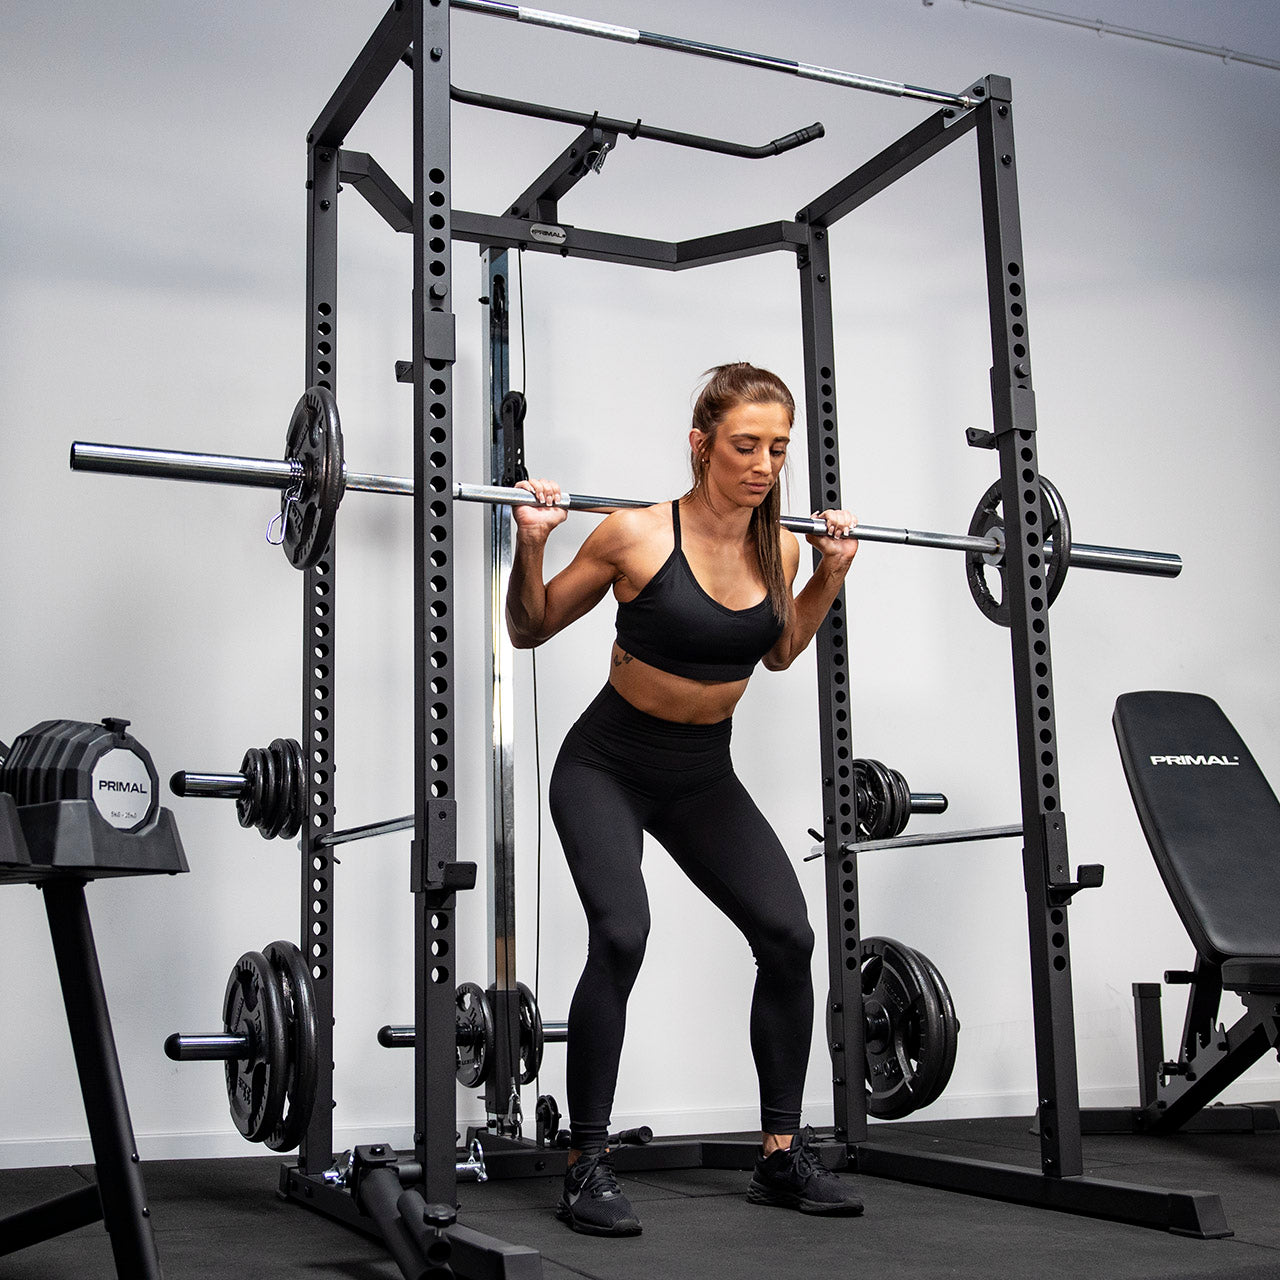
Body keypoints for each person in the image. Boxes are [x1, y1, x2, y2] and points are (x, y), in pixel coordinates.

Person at [506, 363, 862, 1237]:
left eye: (779, 449)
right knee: (622, 933)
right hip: (607, 765)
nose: (764, 465)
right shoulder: (633, 534)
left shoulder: (779, 545)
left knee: (788, 936)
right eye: (745, 445)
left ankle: (780, 1154)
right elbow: (530, 627)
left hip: (702, 773)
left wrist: (831, 571)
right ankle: (586, 1162)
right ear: (700, 444)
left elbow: (777, 654)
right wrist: (532, 541)